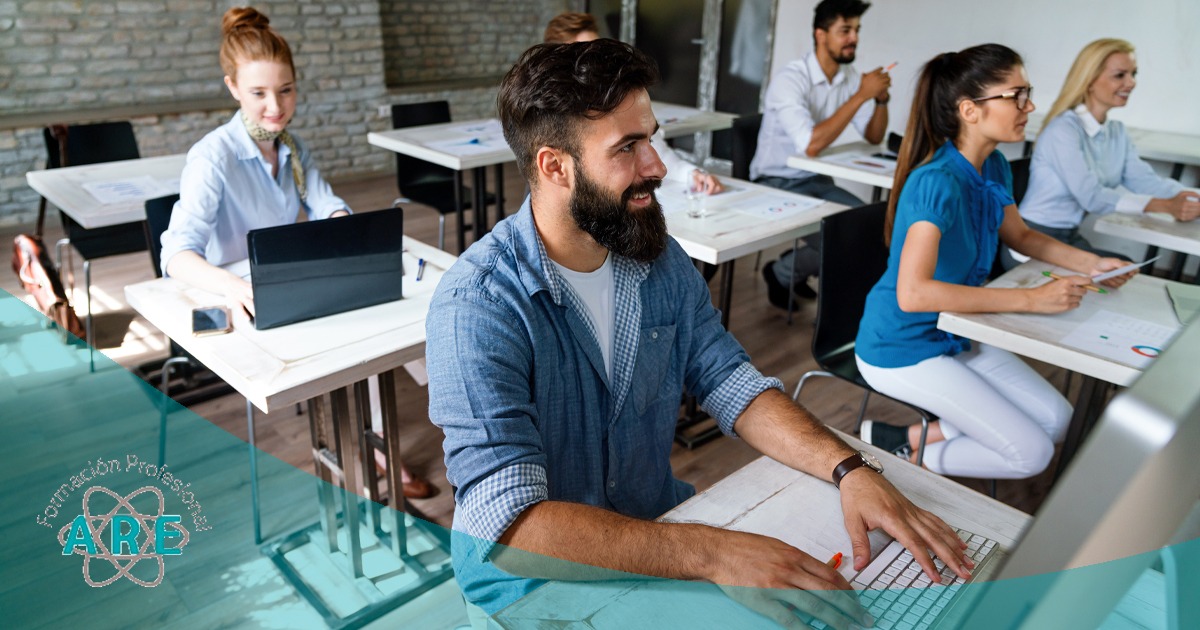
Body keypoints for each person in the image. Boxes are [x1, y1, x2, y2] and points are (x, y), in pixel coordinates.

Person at [426, 39, 971, 627]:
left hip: (661, 535)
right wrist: (716, 553)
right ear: (555, 166)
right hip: (536, 587)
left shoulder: (658, 260)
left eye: (652, 138)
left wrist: (850, 469)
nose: (657, 165)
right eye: (628, 147)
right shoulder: (477, 306)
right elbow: (509, 526)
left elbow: (730, 381)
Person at [158, 7, 432, 499]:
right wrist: (237, 287)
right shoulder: (212, 157)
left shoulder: (292, 146)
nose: (275, 107)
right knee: (359, 338)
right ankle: (372, 450)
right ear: (233, 88)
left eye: (285, 90)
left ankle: (397, 432)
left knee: (390, 315)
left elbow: (327, 205)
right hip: (240, 294)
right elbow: (176, 255)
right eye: (259, 93)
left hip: (290, 280)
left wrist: (346, 234)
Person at [854, 43, 1136, 480]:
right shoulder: (936, 182)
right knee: (1032, 454)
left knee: (1058, 420)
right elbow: (912, 295)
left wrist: (1092, 263)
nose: (1030, 106)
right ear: (970, 110)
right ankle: (904, 462)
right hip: (901, 347)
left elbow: (1020, 235)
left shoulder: (995, 166)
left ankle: (904, 438)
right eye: (1016, 95)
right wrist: (1032, 300)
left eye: (1028, 92)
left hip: (956, 329)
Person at [1009, 38, 1199, 267]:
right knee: (1112, 275)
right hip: (1032, 241)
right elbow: (1092, 196)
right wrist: (1165, 206)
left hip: (1068, 237)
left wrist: (1190, 198)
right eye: (1120, 75)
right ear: (1089, 80)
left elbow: (1146, 181)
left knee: (1124, 266)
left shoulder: (1116, 133)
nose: (1131, 83)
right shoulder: (1063, 130)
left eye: (1133, 74)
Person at [752, 0, 890, 307]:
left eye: (856, 30)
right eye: (845, 30)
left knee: (874, 231)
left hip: (817, 178)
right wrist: (861, 95)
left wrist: (880, 101)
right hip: (775, 182)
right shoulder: (791, 80)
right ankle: (795, 278)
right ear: (820, 34)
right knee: (848, 240)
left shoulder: (849, 77)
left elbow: (873, 135)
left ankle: (785, 270)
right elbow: (811, 145)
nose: (853, 38)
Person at [543, 12, 724, 197]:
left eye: (598, 50)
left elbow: (654, 147)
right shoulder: (544, 111)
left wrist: (691, 174)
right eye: (584, 53)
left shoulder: (616, 95)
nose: (596, 60)